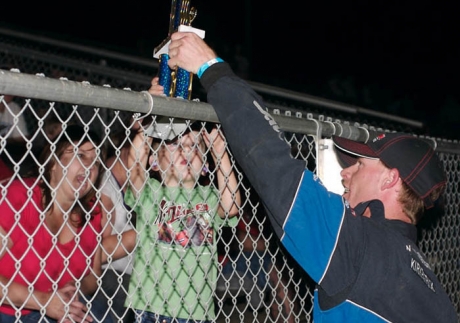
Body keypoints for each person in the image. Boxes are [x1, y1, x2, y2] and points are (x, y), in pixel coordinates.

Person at [162, 31, 458, 322]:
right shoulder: (432, 289)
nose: (345, 172)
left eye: (360, 165)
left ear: (390, 180)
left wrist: (211, 68)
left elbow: (275, 168)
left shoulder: (362, 246)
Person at [124, 100, 241, 323]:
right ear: (154, 161)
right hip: (152, 307)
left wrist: (220, 154)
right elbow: (136, 167)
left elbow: (231, 206)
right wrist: (148, 122)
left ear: (206, 166)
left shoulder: (209, 196)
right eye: (174, 143)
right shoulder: (151, 192)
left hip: (197, 310)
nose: (187, 150)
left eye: (196, 146)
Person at [0, 125, 112, 323]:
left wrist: (73, 288)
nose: (90, 166)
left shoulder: (92, 211)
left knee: (100, 312)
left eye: (96, 161)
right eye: (81, 155)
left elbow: (93, 279)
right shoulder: (18, 198)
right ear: (54, 162)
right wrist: (43, 301)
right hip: (10, 311)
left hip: (60, 307)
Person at [96, 126, 137, 323]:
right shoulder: (103, 183)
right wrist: (142, 234)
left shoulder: (140, 181)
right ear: (123, 147)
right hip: (113, 274)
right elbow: (98, 253)